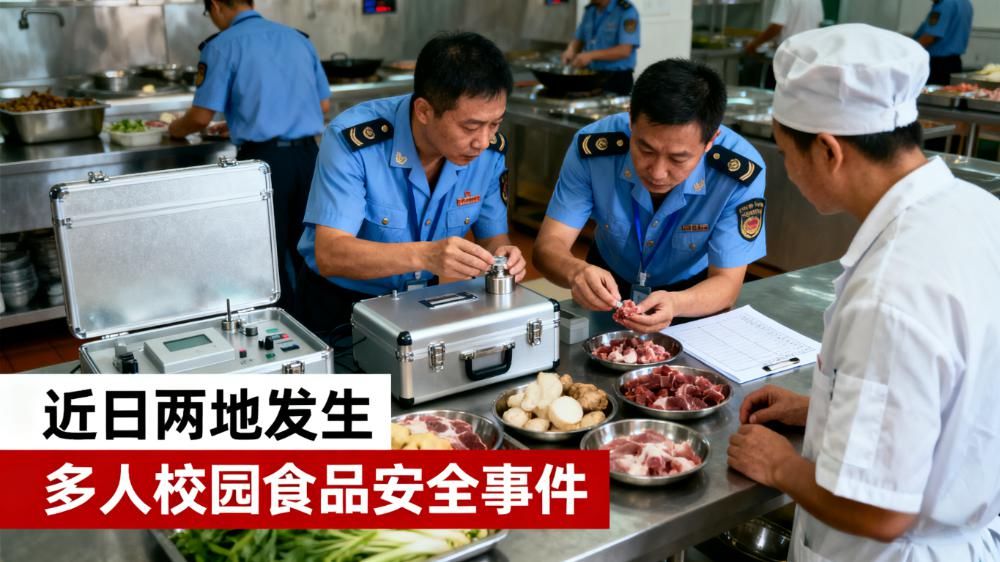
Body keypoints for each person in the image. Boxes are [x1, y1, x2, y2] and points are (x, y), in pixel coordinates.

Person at [727, 24, 1000, 561]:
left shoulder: (890, 290)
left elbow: (880, 512)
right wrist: (823, 410)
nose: (788, 169)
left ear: (828, 150)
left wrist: (781, 466)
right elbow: (947, 395)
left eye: (786, 151)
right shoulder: (978, 210)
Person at [295, 32, 526, 339]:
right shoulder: (354, 142)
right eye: (470, 126)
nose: (483, 142)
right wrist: (427, 255)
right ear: (424, 111)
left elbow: (493, 237)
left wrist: (504, 256)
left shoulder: (489, 153)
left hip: (426, 302)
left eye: (495, 124)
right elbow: (330, 254)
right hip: (341, 305)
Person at [533, 59, 767, 334]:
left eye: (678, 159)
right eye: (645, 150)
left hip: (693, 293)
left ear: (711, 140)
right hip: (606, 281)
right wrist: (575, 272)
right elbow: (548, 246)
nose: (657, 172)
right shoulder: (593, 149)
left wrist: (676, 303)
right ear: (631, 118)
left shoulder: (738, 173)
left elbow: (727, 283)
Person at [168, 0, 330, 314]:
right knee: (311, 249)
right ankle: (319, 327)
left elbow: (200, 117)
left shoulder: (221, 46)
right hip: (310, 158)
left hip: (263, 163)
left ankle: (283, 328)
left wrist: (174, 129)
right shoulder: (297, 39)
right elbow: (322, 105)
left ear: (216, 6)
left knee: (267, 254)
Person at [560, 0, 641, 95]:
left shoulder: (626, 11)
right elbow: (579, 38)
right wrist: (570, 50)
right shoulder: (590, 10)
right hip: (591, 76)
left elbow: (624, 51)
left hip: (616, 78)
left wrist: (590, 56)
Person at [743, 0, 823, 89]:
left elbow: (776, 26)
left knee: (775, 91)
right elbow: (817, 25)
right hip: (806, 60)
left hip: (786, 59)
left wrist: (754, 44)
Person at [913, 0, 974, 85]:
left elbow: (930, 37)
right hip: (954, 63)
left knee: (932, 92)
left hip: (938, 65)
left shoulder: (944, 5)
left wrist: (908, 52)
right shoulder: (965, 3)